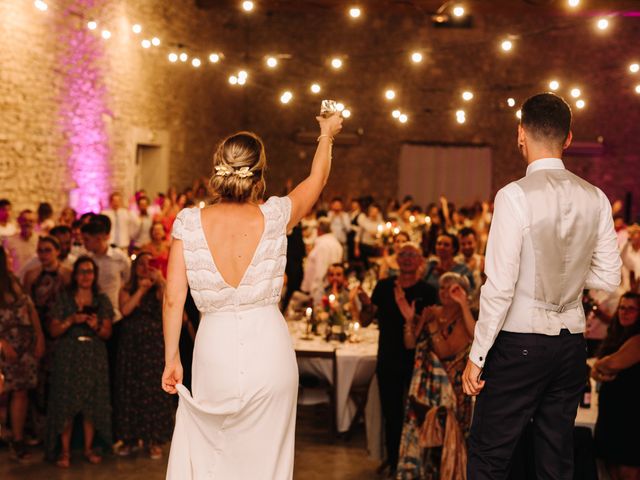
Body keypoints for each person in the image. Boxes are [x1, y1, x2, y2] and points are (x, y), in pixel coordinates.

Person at [162, 114, 343, 479]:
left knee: (215, 451)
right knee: (266, 461)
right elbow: (317, 178)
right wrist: (326, 134)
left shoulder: (188, 222)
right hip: (269, 350)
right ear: (260, 171)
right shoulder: (276, 215)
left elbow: (172, 296)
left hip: (213, 349)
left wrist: (172, 358)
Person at [463, 92, 622, 480]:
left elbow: (499, 285)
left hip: (519, 342)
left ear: (520, 133)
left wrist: (478, 354)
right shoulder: (596, 197)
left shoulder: (514, 195)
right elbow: (609, 279)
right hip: (570, 345)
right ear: (568, 139)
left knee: (490, 456)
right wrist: (566, 273)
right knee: (556, 459)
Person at [359, 242, 438, 477]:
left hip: (417, 362)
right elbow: (366, 320)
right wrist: (364, 305)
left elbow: (433, 328)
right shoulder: (383, 287)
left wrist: (413, 320)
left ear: (420, 260)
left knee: (417, 413)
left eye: (411, 255)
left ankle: (417, 463)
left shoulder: (428, 291)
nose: (406, 259)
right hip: (388, 359)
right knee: (391, 414)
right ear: (396, 259)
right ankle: (394, 462)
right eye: (402, 254)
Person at [396, 272, 477, 479]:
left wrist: (433, 324)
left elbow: (446, 352)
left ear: (464, 293)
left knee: (446, 444)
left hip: (452, 396)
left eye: (453, 289)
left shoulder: (465, 318)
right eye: (442, 287)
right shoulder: (433, 312)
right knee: (426, 445)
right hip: (426, 390)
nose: (446, 292)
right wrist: (409, 320)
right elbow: (411, 344)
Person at [46, 256, 114, 467]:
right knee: (66, 402)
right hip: (69, 355)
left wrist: (95, 325)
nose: (86, 276)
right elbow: (53, 330)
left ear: (95, 275)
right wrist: (71, 320)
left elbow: (107, 333)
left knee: (91, 403)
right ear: (75, 275)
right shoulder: (64, 299)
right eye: (82, 271)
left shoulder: (101, 300)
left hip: (94, 355)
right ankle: (64, 452)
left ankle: (88, 448)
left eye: (90, 272)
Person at [114, 252, 173, 459]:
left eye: (150, 264)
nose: (145, 267)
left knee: (152, 390)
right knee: (130, 388)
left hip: (153, 344)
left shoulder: (158, 288)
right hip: (131, 344)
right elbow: (126, 310)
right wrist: (141, 289)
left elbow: (171, 303)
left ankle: (153, 439)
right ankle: (130, 439)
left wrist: (161, 281)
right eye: (141, 264)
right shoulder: (127, 288)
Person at [0, 246, 45, 462]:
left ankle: (17, 438)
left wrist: (39, 336)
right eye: (8, 257)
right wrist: (2, 343)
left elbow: (31, 309)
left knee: (21, 391)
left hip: (24, 344)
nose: (12, 259)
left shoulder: (14, 281)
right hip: (5, 346)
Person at [590, 292, 640, 480]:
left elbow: (610, 364)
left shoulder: (637, 339)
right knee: (611, 472)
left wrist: (599, 365)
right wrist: (599, 367)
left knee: (628, 472)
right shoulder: (615, 336)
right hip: (612, 417)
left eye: (631, 309)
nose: (624, 312)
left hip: (632, 420)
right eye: (622, 307)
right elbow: (598, 372)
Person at [300, 217, 343, 302]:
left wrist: (314, 290)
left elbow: (320, 270)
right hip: (328, 286)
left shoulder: (322, 246)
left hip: (321, 289)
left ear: (319, 230)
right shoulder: (336, 243)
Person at [3, 210, 38, 279]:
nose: (27, 223)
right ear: (19, 221)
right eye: (24, 220)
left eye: (31, 221)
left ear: (35, 223)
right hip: (15, 280)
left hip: (35, 281)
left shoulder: (40, 241)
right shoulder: (9, 241)